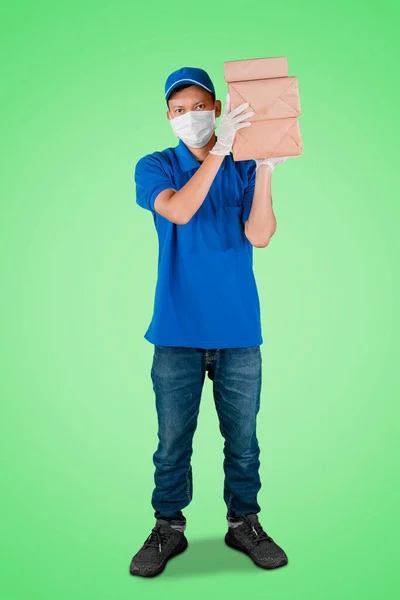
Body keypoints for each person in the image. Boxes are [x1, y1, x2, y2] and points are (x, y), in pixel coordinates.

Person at [129, 66, 295, 577]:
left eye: (199, 106)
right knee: (172, 440)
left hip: (238, 332)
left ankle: (244, 522)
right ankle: (168, 529)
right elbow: (178, 212)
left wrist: (263, 165)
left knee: (243, 441)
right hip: (176, 332)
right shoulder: (155, 164)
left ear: (218, 109)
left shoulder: (243, 168)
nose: (190, 117)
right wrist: (220, 151)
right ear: (168, 116)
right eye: (179, 110)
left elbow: (260, 235)